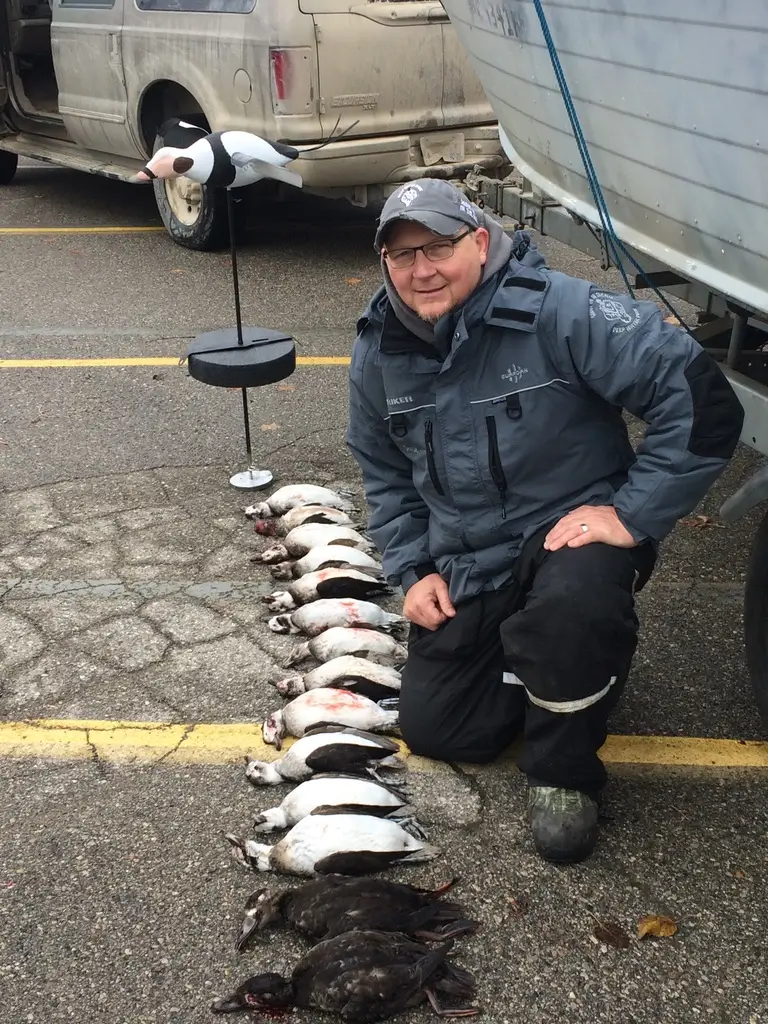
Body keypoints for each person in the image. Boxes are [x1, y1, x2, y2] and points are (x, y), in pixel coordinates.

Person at [346, 178, 744, 864]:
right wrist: (413, 570)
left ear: (478, 241)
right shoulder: (379, 351)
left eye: (437, 247)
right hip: (470, 557)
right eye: (401, 256)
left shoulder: (564, 310)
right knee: (441, 730)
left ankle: (565, 771)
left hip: (570, 540)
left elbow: (702, 403)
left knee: (572, 609)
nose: (421, 270)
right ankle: (559, 664)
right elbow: (384, 475)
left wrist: (630, 513)